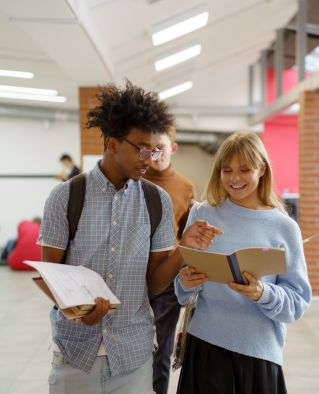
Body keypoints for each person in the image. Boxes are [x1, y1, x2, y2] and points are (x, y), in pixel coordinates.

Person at [38, 81, 220, 394]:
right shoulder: (66, 197)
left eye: (155, 149)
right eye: (141, 148)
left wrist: (183, 248)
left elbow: (153, 283)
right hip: (75, 355)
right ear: (112, 144)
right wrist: (78, 310)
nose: (149, 158)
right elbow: (50, 276)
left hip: (133, 357)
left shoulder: (157, 201)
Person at [175, 132, 311, 394]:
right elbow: (183, 289)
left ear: (262, 169)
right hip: (204, 346)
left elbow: (296, 304)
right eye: (227, 170)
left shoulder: (284, 227)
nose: (234, 178)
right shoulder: (202, 214)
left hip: (258, 354)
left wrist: (263, 293)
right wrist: (185, 280)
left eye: (245, 169)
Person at [144, 127, 196, 394]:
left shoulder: (185, 187)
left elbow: (188, 237)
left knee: (161, 352)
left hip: (167, 282)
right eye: (149, 148)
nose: (155, 154)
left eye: (160, 148)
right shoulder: (134, 181)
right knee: (133, 350)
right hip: (133, 279)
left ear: (173, 148)